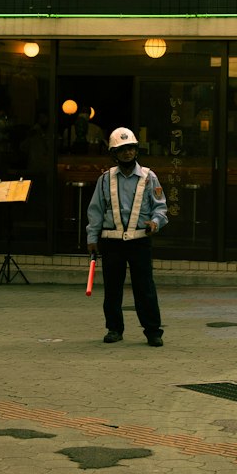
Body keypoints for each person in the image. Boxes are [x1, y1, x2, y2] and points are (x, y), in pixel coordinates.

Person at [86, 126, 167, 347]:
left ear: (136, 150)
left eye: (130, 148)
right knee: (112, 288)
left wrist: (155, 222)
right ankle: (114, 329)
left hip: (140, 240)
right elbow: (95, 211)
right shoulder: (105, 180)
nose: (127, 153)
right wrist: (92, 239)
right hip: (111, 242)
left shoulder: (149, 177)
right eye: (122, 150)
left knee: (145, 288)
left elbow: (161, 208)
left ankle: (153, 331)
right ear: (114, 153)